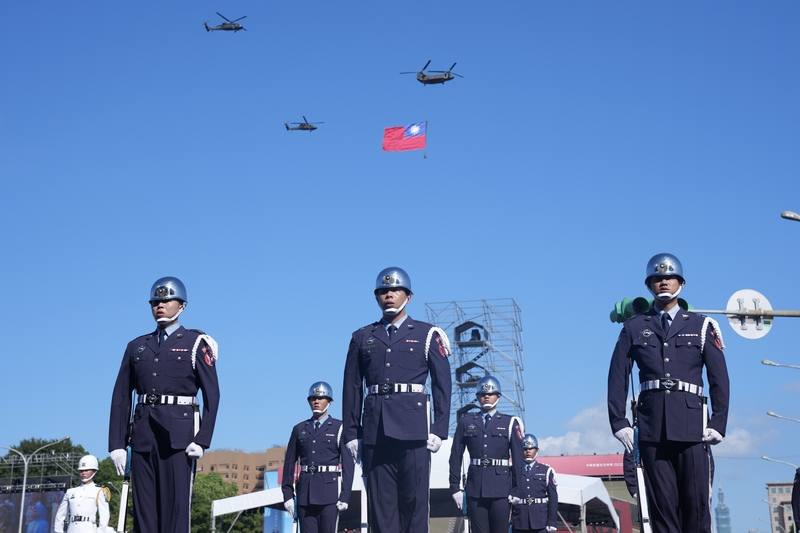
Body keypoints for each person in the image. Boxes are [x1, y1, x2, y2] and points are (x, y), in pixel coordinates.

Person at [607, 253, 730, 533]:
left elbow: (719, 378)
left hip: (693, 430)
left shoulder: (701, 325)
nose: (663, 282)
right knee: (661, 508)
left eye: (669, 277)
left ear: (681, 284)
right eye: (657, 278)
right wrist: (618, 422)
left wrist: (718, 422)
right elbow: (617, 376)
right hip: (652, 430)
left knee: (696, 506)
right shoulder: (634, 327)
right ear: (649, 285)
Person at [342, 267, 452, 533]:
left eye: (395, 290)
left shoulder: (428, 334)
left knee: (414, 503)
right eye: (383, 291)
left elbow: (442, 385)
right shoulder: (362, 337)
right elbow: (352, 388)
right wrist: (352, 433)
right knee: (381, 506)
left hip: (414, 431)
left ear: (408, 296)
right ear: (376, 297)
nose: (389, 295)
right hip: (375, 432)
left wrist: (439, 429)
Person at [108, 276, 220, 532]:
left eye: (167, 301)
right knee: (144, 512)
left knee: (175, 510)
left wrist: (203, 439)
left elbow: (212, 396)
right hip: (143, 436)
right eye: (155, 302)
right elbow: (121, 397)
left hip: (179, 439)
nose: (159, 305)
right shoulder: (136, 346)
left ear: (182, 306)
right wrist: (117, 444)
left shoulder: (196, 343)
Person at [449, 375, 523, 533]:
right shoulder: (466, 421)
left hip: (501, 490)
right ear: (477, 397)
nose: (486, 397)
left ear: (498, 396)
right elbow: (456, 455)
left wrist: (517, 489)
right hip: (476, 489)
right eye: (482, 394)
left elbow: (518, 460)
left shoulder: (510, 423)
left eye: (490, 393)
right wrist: (455, 486)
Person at [282, 381, 355, 533]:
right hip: (305, 495)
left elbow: (348, 465)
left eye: (320, 398)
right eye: (313, 398)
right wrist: (287, 494)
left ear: (329, 401)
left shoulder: (339, 428)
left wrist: (345, 495)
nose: (316, 401)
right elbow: (289, 464)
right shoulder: (299, 429)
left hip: (329, 495)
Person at [509, 434, 557, 533]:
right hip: (519, 521)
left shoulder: (547, 471)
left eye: (531, 448)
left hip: (540, 522)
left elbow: (553, 498)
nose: (528, 451)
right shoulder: (512, 471)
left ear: (537, 450)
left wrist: (552, 522)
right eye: (525, 449)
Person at [54, 455, 111, 532]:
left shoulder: (99, 491)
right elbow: (60, 514)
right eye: (81, 471)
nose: (83, 473)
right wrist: (58, 531)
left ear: (94, 471)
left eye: (86, 470)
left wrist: (101, 531)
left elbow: (104, 515)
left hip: (89, 529)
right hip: (72, 529)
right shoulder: (70, 492)